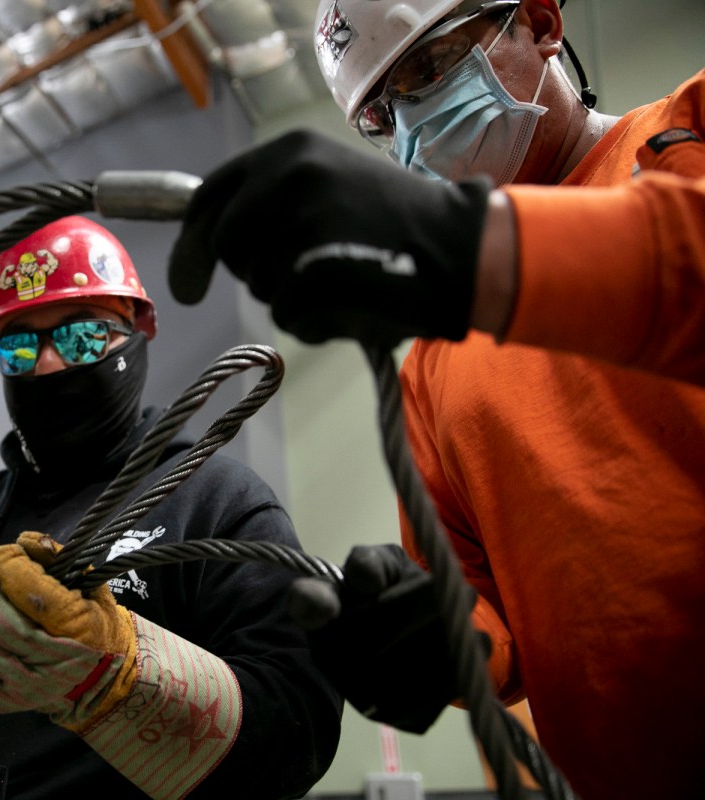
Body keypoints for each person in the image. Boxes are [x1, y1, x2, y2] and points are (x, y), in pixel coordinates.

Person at [164, 0, 705, 797]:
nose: (412, 122)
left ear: (542, 22)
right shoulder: (432, 366)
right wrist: (441, 642)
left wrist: (464, 246)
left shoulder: (686, 140)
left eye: (427, 69)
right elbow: (490, 611)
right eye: (382, 113)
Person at [0, 215, 343, 799]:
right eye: (16, 346)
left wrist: (119, 671)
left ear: (141, 326)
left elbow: (299, 732)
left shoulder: (216, 505)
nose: (48, 365)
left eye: (81, 337)